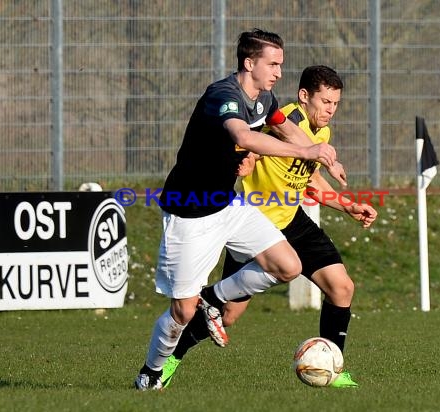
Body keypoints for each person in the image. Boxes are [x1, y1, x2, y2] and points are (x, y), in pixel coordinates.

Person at [134, 30, 345, 391]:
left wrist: (322, 156)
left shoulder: (265, 99)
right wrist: (309, 152)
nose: (279, 71)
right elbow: (243, 137)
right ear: (249, 63)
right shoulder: (223, 94)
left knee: (288, 265)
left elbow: (282, 128)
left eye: (281, 64)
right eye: (272, 64)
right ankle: (150, 373)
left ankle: (212, 298)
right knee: (182, 312)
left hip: (227, 206)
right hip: (188, 213)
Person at [159, 65, 378, 389]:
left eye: (335, 104)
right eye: (325, 102)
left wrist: (348, 206)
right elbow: (250, 142)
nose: (330, 110)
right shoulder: (284, 121)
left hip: (292, 220)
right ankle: (171, 359)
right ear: (304, 96)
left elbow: (308, 180)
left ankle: (332, 367)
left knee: (341, 287)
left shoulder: (321, 133)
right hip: (257, 228)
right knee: (228, 315)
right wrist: (245, 158)